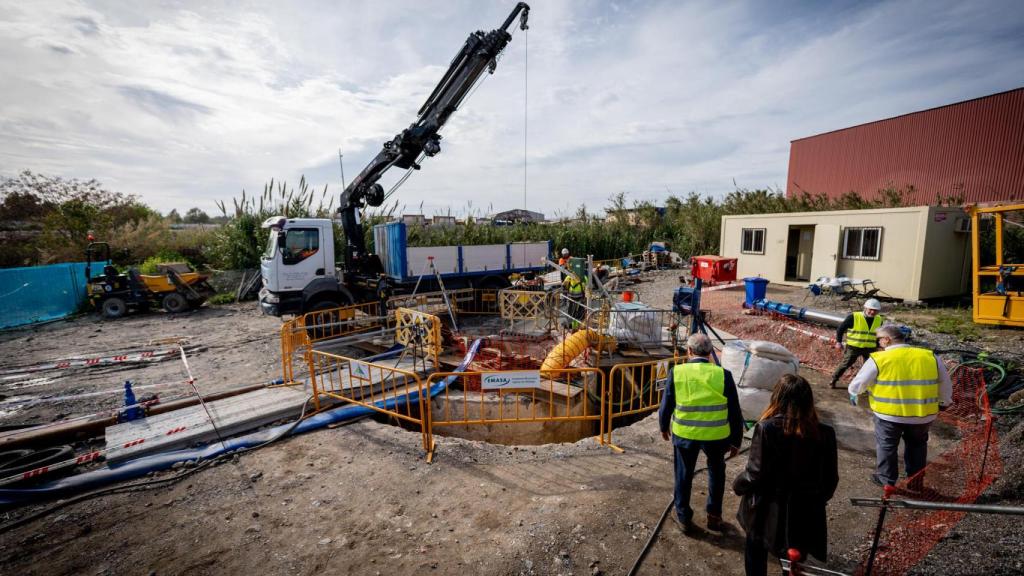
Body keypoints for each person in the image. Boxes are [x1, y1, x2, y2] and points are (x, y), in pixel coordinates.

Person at [733, 374, 839, 576]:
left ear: (777, 397)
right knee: (793, 563)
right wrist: (815, 500)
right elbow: (830, 479)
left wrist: (738, 485)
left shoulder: (766, 428)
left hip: (766, 508)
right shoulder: (825, 433)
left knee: (756, 552)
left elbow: (754, 473)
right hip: (804, 510)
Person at [658, 334, 744, 532]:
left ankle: (683, 517)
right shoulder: (723, 375)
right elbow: (734, 411)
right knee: (717, 473)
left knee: (683, 474)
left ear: (689, 351)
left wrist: (663, 426)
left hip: (685, 434)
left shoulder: (677, 372)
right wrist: (736, 441)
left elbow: (667, 403)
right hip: (716, 436)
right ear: (710, 352)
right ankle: (714, 516)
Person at [848, 324, 952, 487]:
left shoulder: (879, 359)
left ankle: (886, 480)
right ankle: (915, 482)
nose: (877, 343)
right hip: (922, 415)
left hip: (889, 415)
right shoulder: (930, 356)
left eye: (878, 340)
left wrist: (855, 393)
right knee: (918, 446)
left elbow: (857, 386)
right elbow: (945, 383)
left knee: (887, 446)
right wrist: (944, 402)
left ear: (886, 340)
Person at [828, 298, 885, 388]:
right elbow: (840, 329)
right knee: (845, 364)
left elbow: (878, 334)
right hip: (854, 347)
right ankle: (834, 379)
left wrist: (879, 346)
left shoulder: (879, 320)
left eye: (875, 310)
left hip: (870, 348)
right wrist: (838, 342)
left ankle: (866, 385)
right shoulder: (854, 317)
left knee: (870, 367)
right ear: (865, 308)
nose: (872, 312)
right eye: (870, 309)